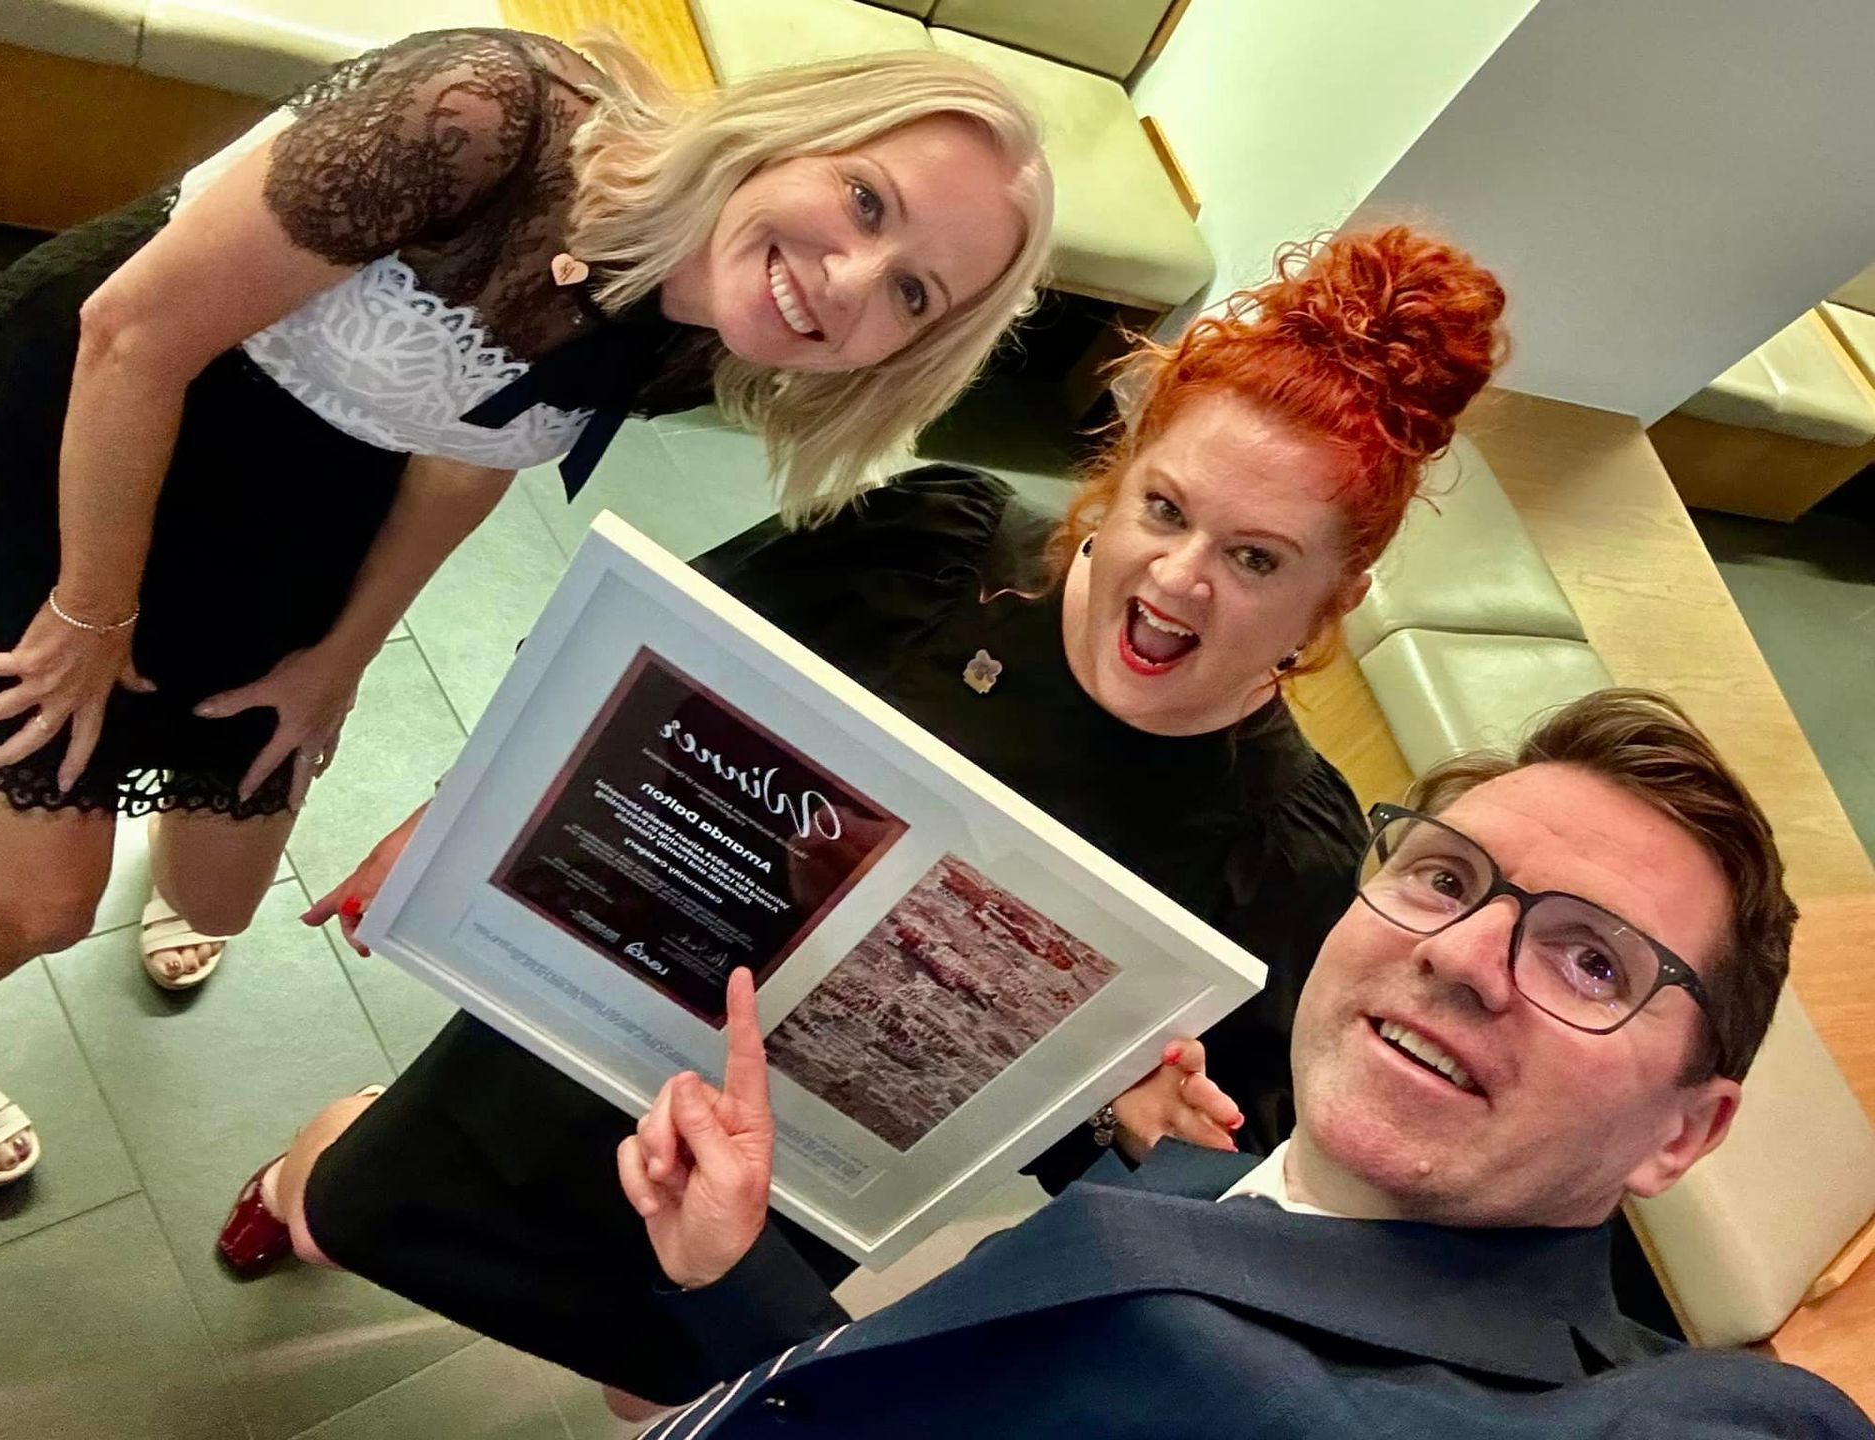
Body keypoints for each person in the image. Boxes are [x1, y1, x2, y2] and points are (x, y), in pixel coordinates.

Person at [216, 225, 1514, 1410]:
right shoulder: (927, 553)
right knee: (357, 1204)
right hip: (600, 1019)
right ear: (1116, 481)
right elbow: (633, 677)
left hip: (807, 1167)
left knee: (653, 1380)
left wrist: (1124, 1121)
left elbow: (1177, 1168)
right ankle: (293, 1192)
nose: (1177, 579)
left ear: (1328, 604)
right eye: (1165, 510)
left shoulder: (1284, 856)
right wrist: (461, 821)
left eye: (1257, 558)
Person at [0, 27, 1054, 1186]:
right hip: (84, 428)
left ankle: (154, 799)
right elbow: (131, 337)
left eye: (914, 292)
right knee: (44, 904)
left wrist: (345, 656)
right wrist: (90, 616)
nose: (846, 282)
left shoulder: (716, 323)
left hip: (299, 501)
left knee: (218, 897)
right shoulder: (480, 119)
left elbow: (476, 445)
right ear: (794, 133)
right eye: (867, 202)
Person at [606, 689, 1874, 1438]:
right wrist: (735, 1271)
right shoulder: (1204, 1179)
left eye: (1592, 962)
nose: (1467, 955)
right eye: (1445, 877)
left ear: (1684, 1136)